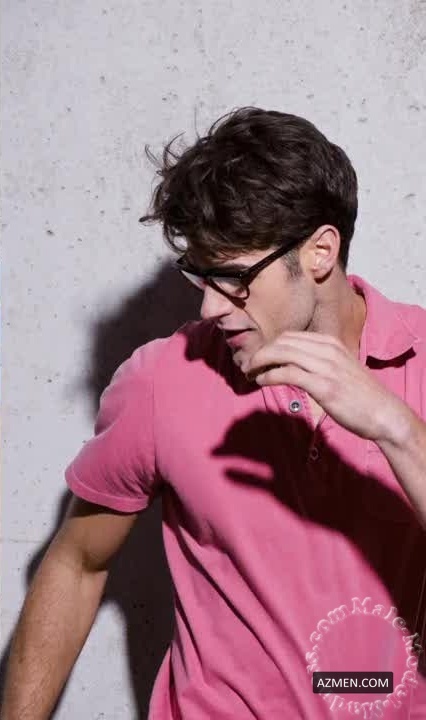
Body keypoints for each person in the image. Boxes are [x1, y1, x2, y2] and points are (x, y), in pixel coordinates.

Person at [2, 107, 426, 720]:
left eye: (232, 277)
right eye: (200, 275)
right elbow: (76, 562)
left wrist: (394, 426)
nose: (209, 308)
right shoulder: (165, 379)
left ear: (320, 252)